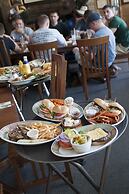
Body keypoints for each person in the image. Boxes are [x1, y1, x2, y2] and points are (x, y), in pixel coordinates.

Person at [73, 12, 117, 77]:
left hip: (99, 65)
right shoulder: (108, 30)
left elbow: (90, 57)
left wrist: (80, 50)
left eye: (90, 26)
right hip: (110, 61)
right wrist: (86, 48)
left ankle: (84, 75)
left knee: (76, 51)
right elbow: (100, 47)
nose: (90, 28)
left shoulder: (96, 36)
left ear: (94, 23)